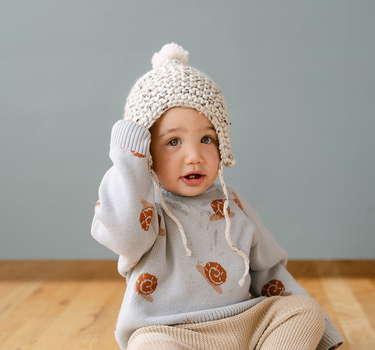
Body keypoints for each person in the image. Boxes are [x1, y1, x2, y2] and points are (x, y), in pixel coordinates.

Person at [91, 43, 343, 350]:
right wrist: (129, 160)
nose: (194, 156)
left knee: (303, 310)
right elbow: (124, 235)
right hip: (170, 333)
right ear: (147, 152)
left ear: (222, 143)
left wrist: (325, 336)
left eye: (206, 139)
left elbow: (271, 273)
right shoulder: (145, 210)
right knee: (148, 345)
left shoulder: (233, 205)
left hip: (244, 325)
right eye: (173, 142)